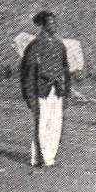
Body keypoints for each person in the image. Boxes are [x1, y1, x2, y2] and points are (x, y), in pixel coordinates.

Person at [20, 10, 72, 169]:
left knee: (56, 123)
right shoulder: (35, 46)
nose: (54, 26)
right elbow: (27, 72)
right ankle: (39, 158)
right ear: (42, 25)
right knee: (42, 124)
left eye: (55, 23)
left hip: (57, 90)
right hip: (40, 90)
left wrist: (66, 90)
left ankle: (50, 157)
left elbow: (65, 69)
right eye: (50, 23)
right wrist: (29, 95)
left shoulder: (59, 45)